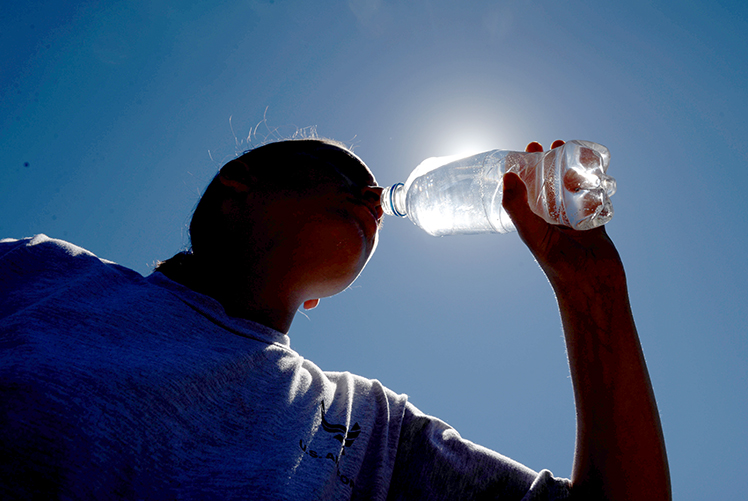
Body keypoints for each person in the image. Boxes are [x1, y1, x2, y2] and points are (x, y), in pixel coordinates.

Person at [0, 138, 670, 500]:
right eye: (346, 176)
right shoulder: (43, 276)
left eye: (377, 197)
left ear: (320, 298)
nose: (375, 200)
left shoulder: (366, 429)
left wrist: (592, 290)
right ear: (238, 192)